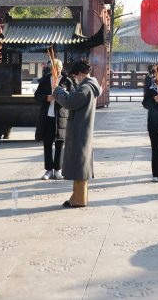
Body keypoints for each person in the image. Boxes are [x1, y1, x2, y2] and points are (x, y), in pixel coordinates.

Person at [53, 60, 102, 207]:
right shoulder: (90, 86)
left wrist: (57, 90)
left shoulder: (86, 87)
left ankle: (79, 199)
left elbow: (69, 102)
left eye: (75, 76)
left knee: (80, 166)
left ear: (80, 74)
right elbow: (73, 98)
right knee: (80, 165)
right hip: (82, 129)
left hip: (81, 130)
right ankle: (77, 197)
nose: (74, 79)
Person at [34, 60, 72, 180]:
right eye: (55, 69)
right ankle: (49, 170)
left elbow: (73, 96)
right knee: (47, 143)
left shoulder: (67, 80)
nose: (57, 71)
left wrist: (62, 96)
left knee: (60, 143)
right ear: (51, 69)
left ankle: (58, 170)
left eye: (59, 68)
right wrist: (46, 98)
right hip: (47, 116)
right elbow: (37, 96)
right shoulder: (45, 80)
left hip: (61, 116)